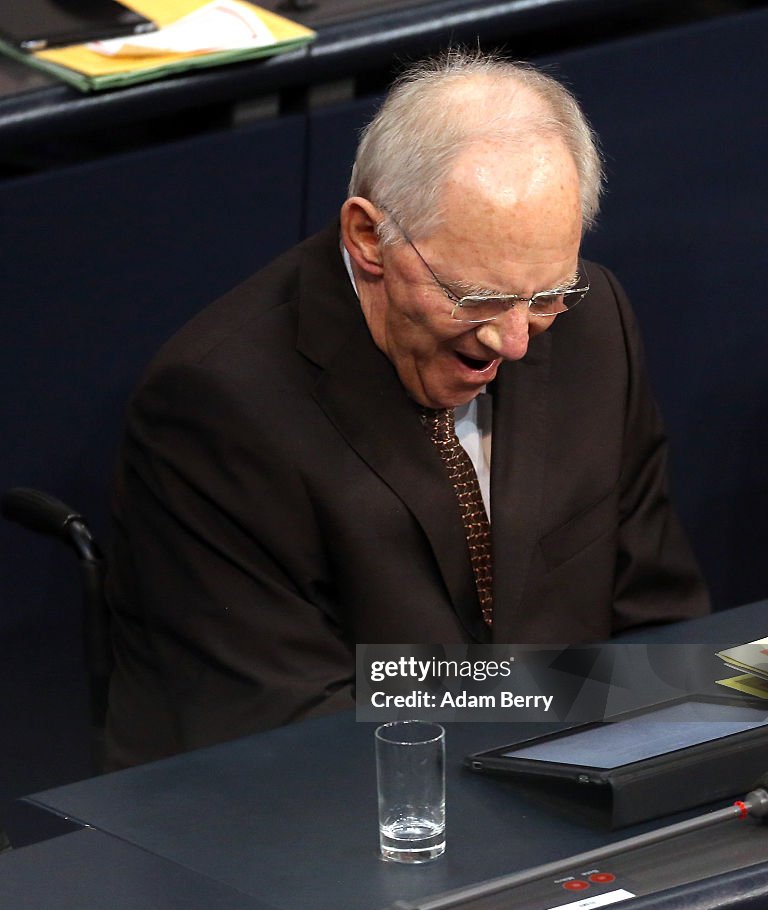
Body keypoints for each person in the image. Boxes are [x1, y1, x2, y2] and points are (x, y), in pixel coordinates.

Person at [104, 51, 709, 769]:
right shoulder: (220, 405)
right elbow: (282, 720)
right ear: (369, 239)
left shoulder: (592, 317)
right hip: (324, 812)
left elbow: (660, 624)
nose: (512, 340)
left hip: (573, 778)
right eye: (477, 298)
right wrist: (548, 703)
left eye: (546, 296)